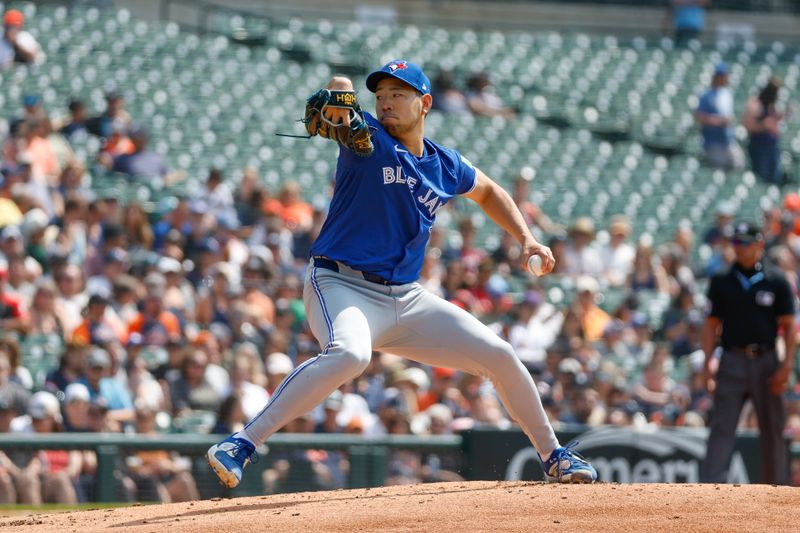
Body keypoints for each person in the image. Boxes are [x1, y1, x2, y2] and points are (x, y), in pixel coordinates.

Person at [208, 59, 596, 486]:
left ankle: (555, 456)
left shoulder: (444, 164)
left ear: (425, 103)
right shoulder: (367, 138)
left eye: (398, 94)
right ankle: (242, 442)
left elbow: (488, 192)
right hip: (340, 284)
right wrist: (339, 92)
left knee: (500, 356)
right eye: (381, 96)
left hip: (406, 298)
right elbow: (339, 89)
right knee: (351, 355)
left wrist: (526, 238)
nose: (386, 102)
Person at [700, 221, 796, 485]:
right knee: (721, 427)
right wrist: (708, 363)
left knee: (773, 428)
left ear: (759, 244)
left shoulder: (776, 280)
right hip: (732, 359)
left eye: (744, 242)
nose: (739, 248)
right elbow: (710, 326)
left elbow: (789, 327)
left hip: (766, 360)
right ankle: (709, 490)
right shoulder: (721, 280)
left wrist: (786, 365)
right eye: (735, 242)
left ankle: (777, 490)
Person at [694, 63, 743, 170]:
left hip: (728, 140)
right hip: (713, 142)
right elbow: (698, 116)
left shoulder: (727, 94)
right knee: (718, 171)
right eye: (723, 75)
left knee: (738, 165)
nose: (726, 78)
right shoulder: (707, 95)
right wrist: (718, 121)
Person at [742, 77, 786, 184]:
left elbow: (772, 123)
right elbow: (747, 125)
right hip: (759, 148)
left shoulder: (771, 104)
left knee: (775, 178)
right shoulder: (756, 103)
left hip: (772, 147)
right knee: (762, 179)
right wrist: (764, 125)